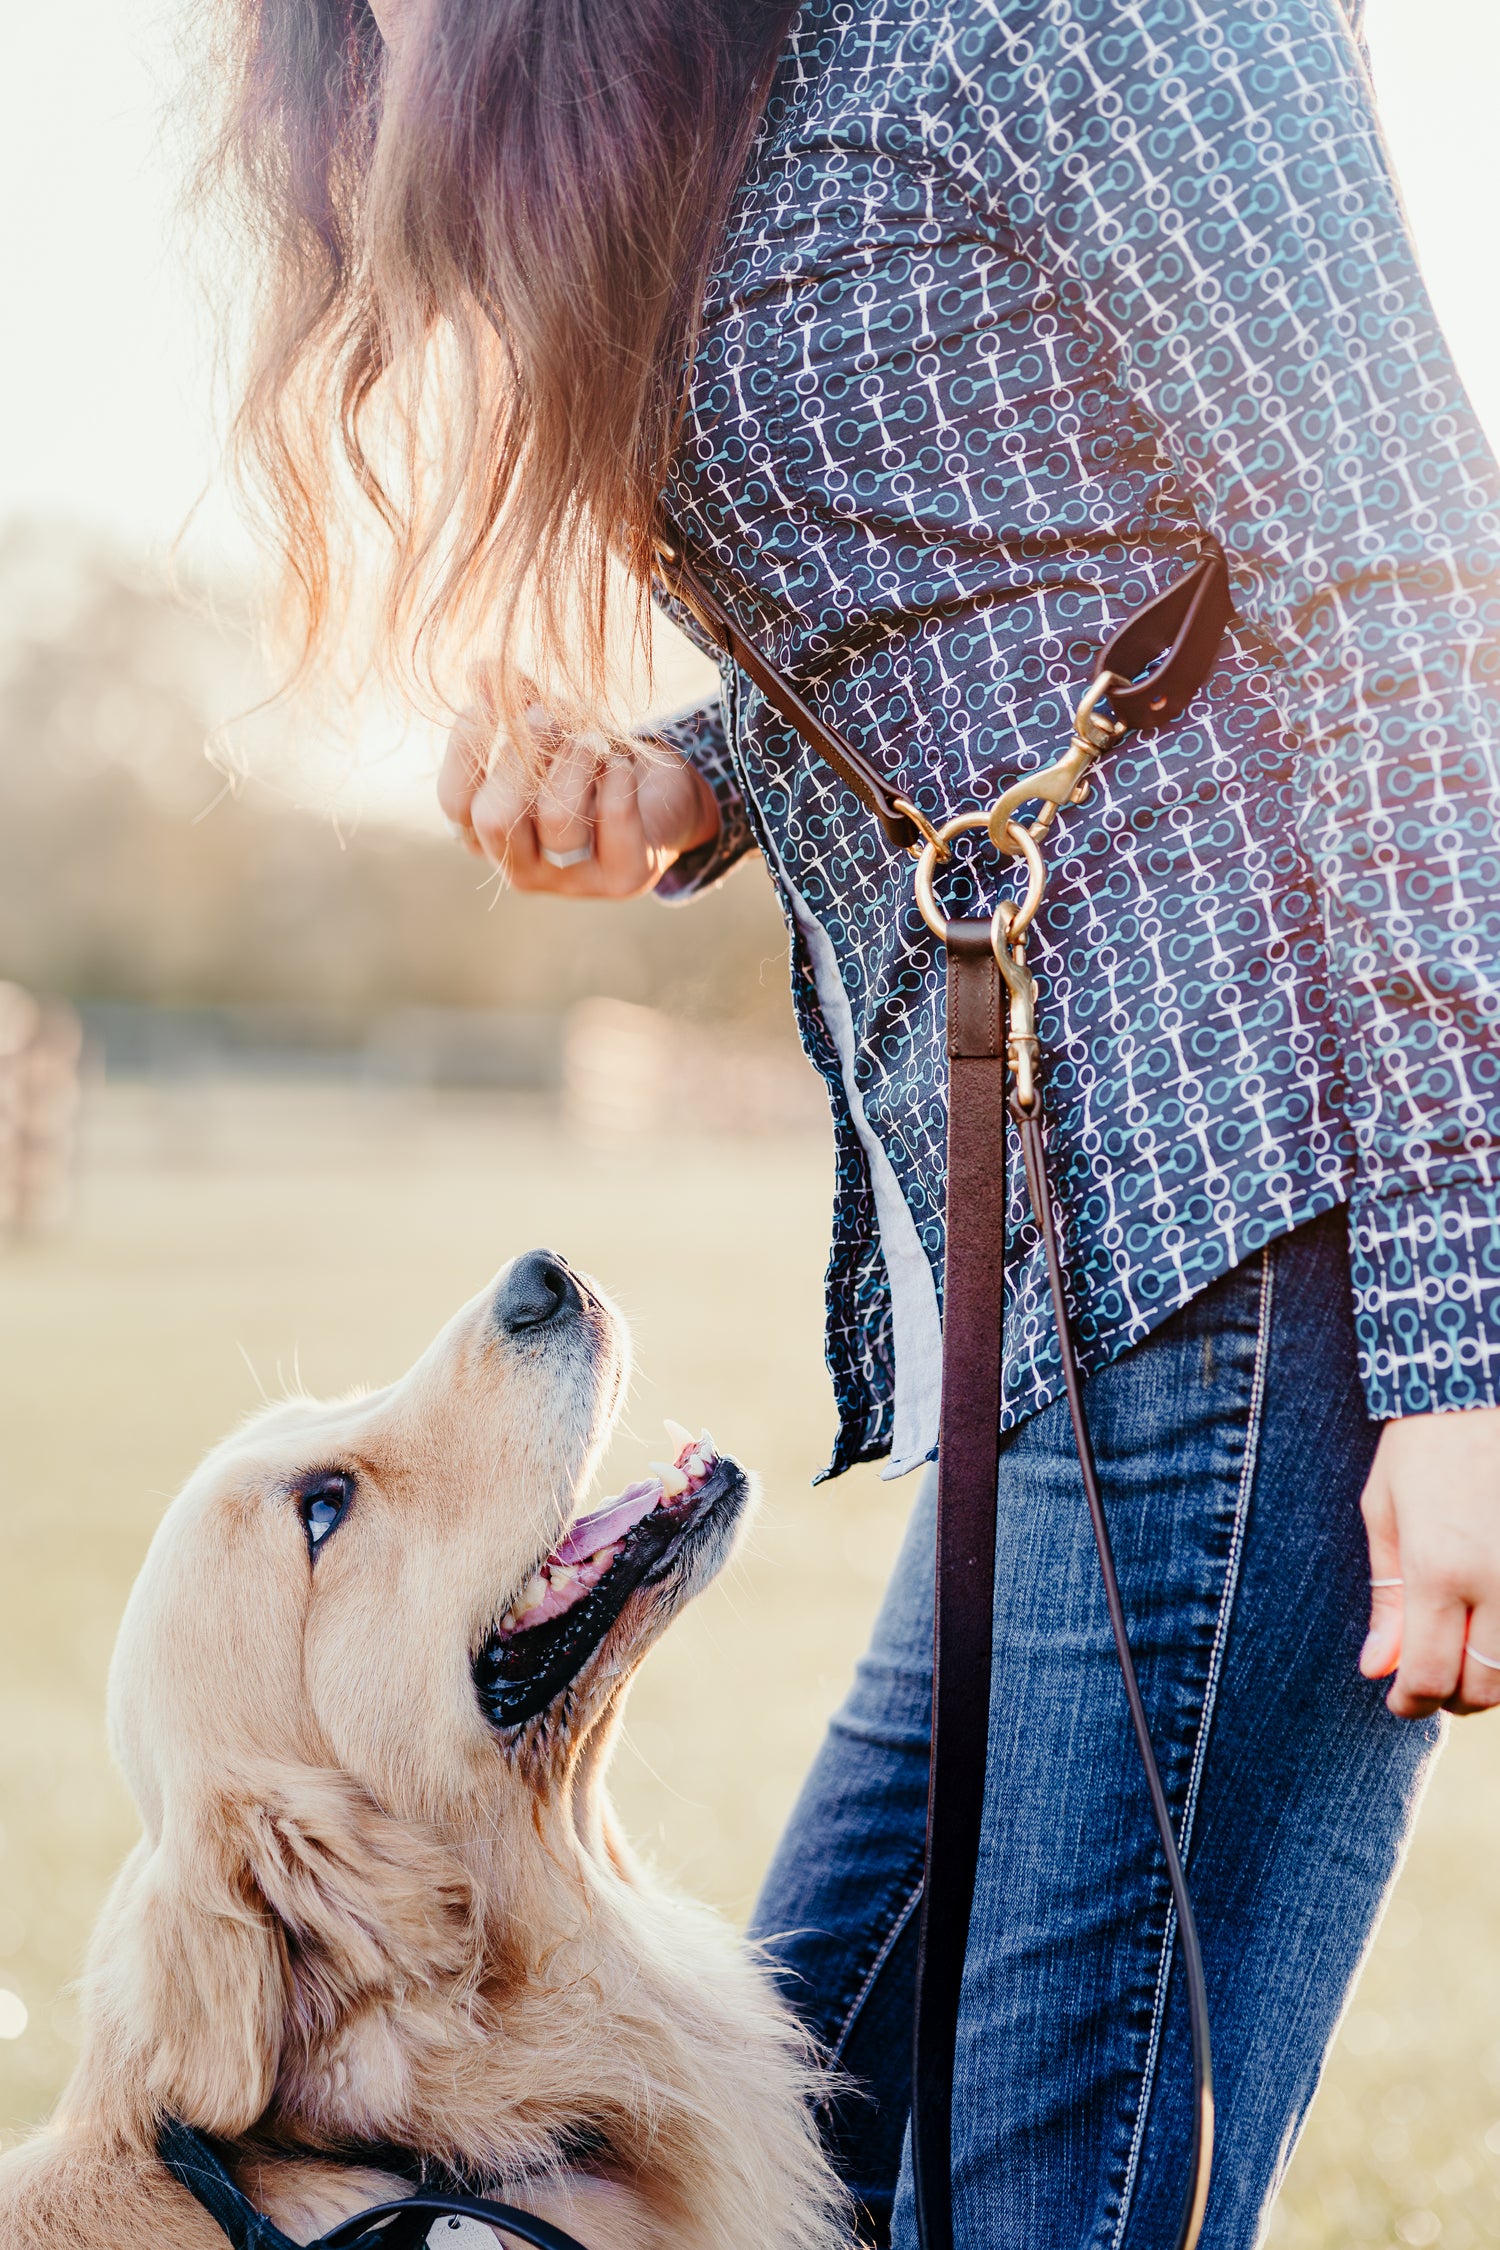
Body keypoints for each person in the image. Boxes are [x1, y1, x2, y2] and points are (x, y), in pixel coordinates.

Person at [205, 0, 1500, 2243]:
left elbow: (1408, 589)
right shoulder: (733, 70)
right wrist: (701, 779)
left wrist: (1465, 1338)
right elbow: (1037, 566)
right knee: (753, 2144)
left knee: (1006, 2197)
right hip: (1061, 1289)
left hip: (1264, 1232)